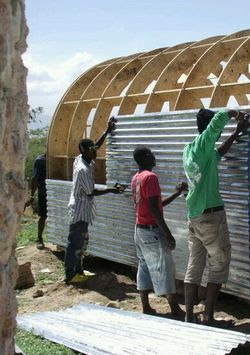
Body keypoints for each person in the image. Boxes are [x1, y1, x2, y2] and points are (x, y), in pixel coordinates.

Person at [182, 108, 250, 326]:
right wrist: (234, 114)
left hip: (195, 217)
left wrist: (236, 133)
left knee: (194, 266)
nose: (218, 133)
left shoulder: (191, 149)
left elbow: (217, 155)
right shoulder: (204, 142)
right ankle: (209, 318)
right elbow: (219, 120)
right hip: (211, 217)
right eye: (215, 129)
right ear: (208, 127)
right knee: (219, 265)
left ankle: (189, 316)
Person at [65, 117, 124, 284]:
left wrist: (107, 131)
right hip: (79, 211)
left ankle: (79, 271)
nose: (95, 150)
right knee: (75, 242)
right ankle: (70, 275)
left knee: (82, 242)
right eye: (91, 149)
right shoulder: (82, 169)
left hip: (84, 210)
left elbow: (96, 145)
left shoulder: (83, 158)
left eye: (93, 148)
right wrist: (112, 189)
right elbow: (91, 192)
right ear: (85, 151)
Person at [131, 147, 187, 317]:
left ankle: (146, 306)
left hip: (139, 230)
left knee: (144, 266)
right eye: (151, 155)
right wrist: (168, 234)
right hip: (151, 231)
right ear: (146, 157)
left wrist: (176, 193)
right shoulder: (151, 177)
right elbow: (155, 210)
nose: (154, 157)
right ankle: (174, 308)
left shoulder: (136, 178)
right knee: (165, 267)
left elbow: (155, 205)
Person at [28, 153, 47, 249]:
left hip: (57, 192)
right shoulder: (40, 160)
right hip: (44, 193)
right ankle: (39, 238)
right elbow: (35, 179)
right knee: (42, 216)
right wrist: (32, 196)